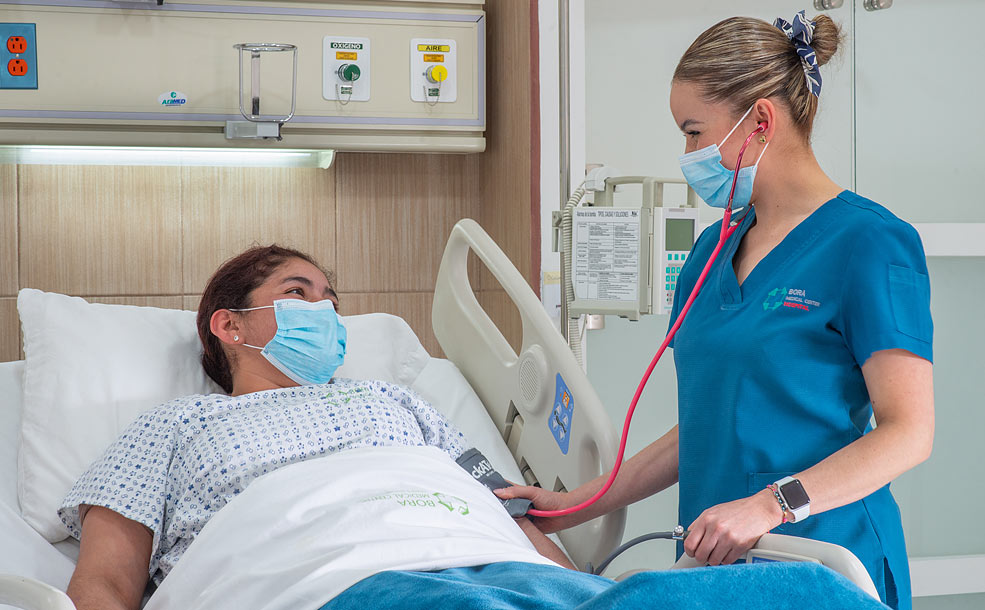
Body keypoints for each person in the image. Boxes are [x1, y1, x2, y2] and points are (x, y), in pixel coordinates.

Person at [496, 12, 933, 610]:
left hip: (826, 558)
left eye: (695, 132)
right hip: (716, 563)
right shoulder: (711, 250)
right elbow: (706, 426)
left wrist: (770, 506)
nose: (688, 153)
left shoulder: (871, 242)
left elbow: (909, 433)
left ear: (760, 121)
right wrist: (575, 504)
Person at [58, 244, 571, 610]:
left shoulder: (391, 397)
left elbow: (509, 513)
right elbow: (106, 582)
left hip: (490, 565)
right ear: (230, 324)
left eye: (330, 301)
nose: (323, 310)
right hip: (324, 584)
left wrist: (572, 586)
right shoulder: (177, 424)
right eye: (298, 293)